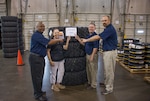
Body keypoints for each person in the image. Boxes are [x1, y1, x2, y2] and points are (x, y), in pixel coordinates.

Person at [82, 16, 118, 95]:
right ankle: (106, 83)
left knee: (109, 71)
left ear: (109, 20)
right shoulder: (107, 29)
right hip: (106, 52)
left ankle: (109, 88)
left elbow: (98, 37)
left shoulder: (110, 29)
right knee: (106, 70)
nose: (103, 22)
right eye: (102, 21)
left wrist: (87, 40)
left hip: (110, 52)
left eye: (105, 20)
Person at [29, 22, 63, 101]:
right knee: (36, 77)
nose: (42, 28)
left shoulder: (40, 35)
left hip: (40, 58)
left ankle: (39, 91)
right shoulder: (36, 35)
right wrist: (58, 39)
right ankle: (37, 95)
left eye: (43, 26)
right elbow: (49, 42)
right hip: (35, 58)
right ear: (36, 27)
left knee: (40, 76)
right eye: (40, 26)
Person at [75, 22, 99, 89]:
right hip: (87, 54)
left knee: (93, 70)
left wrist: (92, 56)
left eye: (92, 27)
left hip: (93, 55)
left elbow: (95, 47)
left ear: (95, 28)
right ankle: (89, 82)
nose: (90, 28)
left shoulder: (95, 36)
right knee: (88, 69)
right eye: (89, 27)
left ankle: (93, 84)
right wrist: (78, 39)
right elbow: (84, 44)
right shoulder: (88, 36)